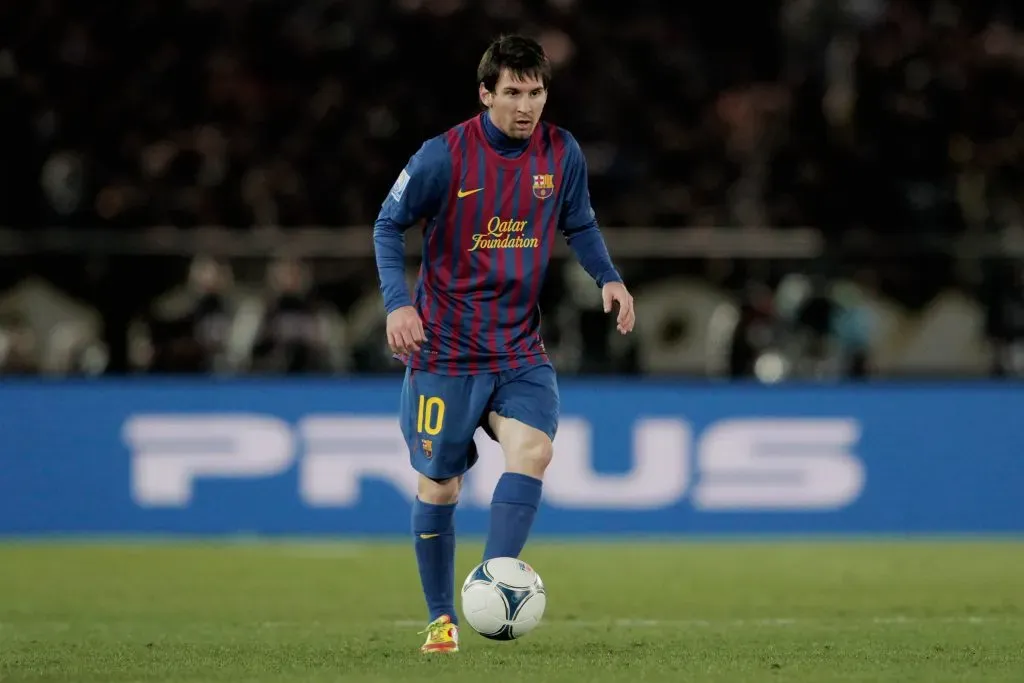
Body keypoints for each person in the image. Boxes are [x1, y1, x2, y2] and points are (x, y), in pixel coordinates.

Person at [372, 35, 635, 654]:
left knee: (535, 451)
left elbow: (581, 223)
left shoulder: (560, 152)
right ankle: (442, 618)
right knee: (440, 488)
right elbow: (388, 224)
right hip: (445, 352)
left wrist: (610, 277)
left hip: (517, 348)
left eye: (536, 92)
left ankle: (491, 584)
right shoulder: (443, 157)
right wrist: (397, 303)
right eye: (512, 93)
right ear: (485, 93)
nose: (525, 106)